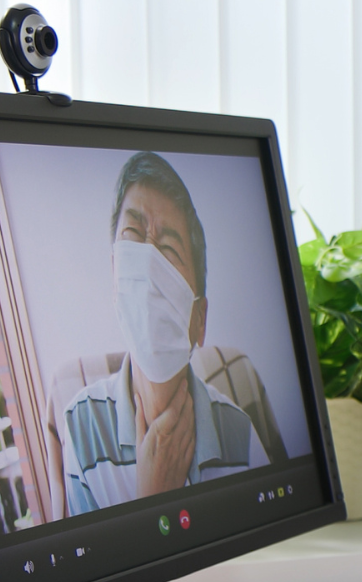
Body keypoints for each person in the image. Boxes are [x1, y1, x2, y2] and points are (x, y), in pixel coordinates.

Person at [60, 152, 268, 514]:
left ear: (199, 320)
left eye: (169, 249)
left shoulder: (243, 436)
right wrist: (154, 501)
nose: (146, 261)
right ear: (115, 273)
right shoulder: (80, 426)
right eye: (133, 234)